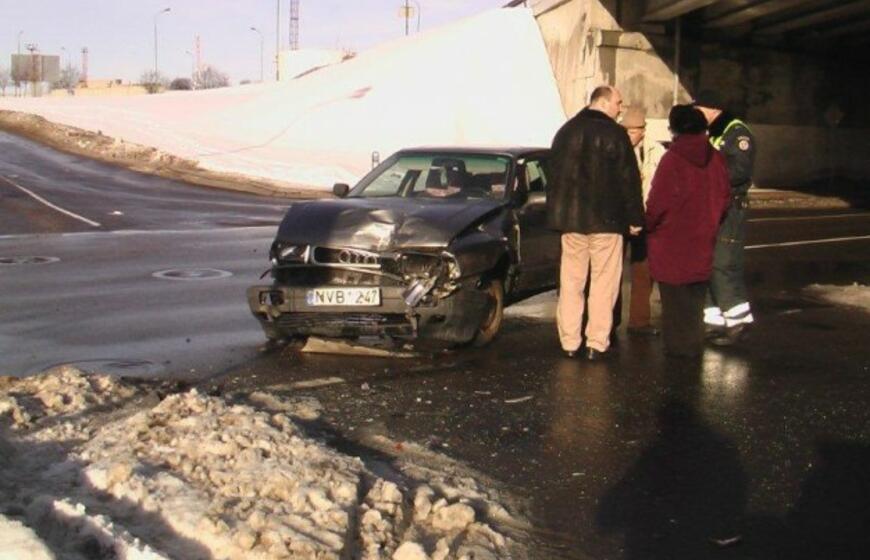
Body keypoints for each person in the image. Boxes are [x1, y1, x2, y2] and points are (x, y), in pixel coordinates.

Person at [547, 85, 644, 361]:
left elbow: (553, 178)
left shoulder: (565, 132)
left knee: (571, 283)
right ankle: (596, 342)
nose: (620, 108)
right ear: (603, 102)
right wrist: (635, 219)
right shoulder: (615, 134)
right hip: (607, 221)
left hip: (571, 222)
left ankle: (569, 341)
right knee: (603, 283)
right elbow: (629, 181)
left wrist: (558, 216)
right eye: (618, 103)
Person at [645, 105, 731, 357]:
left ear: (675, 128)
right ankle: (693, 354)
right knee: (694, 307)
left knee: (674, 309)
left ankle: (678, 366)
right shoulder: (716, 157)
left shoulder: (673, 159)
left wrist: (648, 225)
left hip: (671, 244)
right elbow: (725, 197)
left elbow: (658, 203)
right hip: (703, 241)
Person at [693, 90, 757, 346]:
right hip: (712, 206)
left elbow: (738, 172)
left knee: (724, 263)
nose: (696, 113)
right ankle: (714, 322)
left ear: (714, 110)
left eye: (700, 109)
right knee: (707, 264)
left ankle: (739, 323)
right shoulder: (711, 132)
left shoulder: (737, 134)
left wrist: (705, 172)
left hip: (731, 209)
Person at [620, 106, 666, 337]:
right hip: (619, 218)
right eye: (627, 130)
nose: (631, 135)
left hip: (645, 217)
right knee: (612, 272)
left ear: (644, 130)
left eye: (635, 131)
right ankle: (608, 321)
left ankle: (639, 321)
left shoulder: (656, 151)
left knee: (643, 271)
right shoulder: (615, 149)